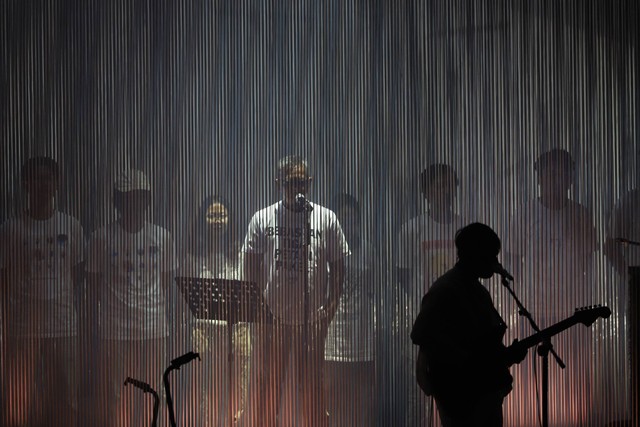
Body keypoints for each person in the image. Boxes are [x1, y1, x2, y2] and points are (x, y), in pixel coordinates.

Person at [242, 155, 349, 427]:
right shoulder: (263, 217)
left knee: (313, 387)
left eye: (303, 183)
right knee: (269, 385)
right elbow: (250, 267)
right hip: (273, 319)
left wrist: (330, 310)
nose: (299, 189)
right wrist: (260, 313)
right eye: (292, 183)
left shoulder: (325, 218)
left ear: (311, 182)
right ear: (279, 183)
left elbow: (338, 268)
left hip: (311, 319)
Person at [506, 148, 597, 426]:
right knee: (529, 374)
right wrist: (520, 297)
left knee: (573, 374)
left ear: (571, 177)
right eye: (550, 172)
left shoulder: (580, 214)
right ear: (540, 177)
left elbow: (588, 258)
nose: (556, 178)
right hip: (534, 309)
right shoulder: (525, 213)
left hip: (571, 311)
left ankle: (572, 419)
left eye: (562, 172)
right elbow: (511, 257)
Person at [411, 222, 527, 427]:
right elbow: (422, 336)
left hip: (478, 393)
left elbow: (483, 346)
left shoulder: (475, 290)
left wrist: (503, 357)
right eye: (491, 254)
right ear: (476, 254)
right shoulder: (446, 290)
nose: (495, 261)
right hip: (462, 399)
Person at [86, 170, 178, 427]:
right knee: (117, 393)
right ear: (118, 201)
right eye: (128, 198)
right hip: (115, 327)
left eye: (140, 197)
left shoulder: (162, 236)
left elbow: (167, 282)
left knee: (152, 391)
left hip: (153, 325)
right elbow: (92, 286)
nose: (134, 203)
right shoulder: (102, 237)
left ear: (147, 201)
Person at [0, 157, 85, 427]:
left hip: (63, 324)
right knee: (20, 401)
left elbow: (77, 274)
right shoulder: (10, 229)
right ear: (25, 185)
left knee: (67, 398)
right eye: (36, 179)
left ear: (57, 184)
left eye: (48, 179)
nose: (42, 184)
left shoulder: (71, 226)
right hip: (23, 326)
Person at [396, 163, 468, 425]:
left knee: (457, 398)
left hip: (459, 326)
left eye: (450, 184)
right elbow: (403, 275)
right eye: (439, 185)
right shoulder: (412, 229)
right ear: (426, 191)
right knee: (419, 397)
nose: (446, 190)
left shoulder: (464, 229)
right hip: (424, 322)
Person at [178, 195, 251, 425]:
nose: (218, 220)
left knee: (238, 383)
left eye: (222, 215)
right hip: (204, 330)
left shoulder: (240, 253)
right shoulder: (192, 256)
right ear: (203, 219)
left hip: (235, 329)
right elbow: (186, 297)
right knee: (204, 385)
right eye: (212, 215)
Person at [323, 194, 376, 426]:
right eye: (343, 220)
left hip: (361, 338)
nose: (348, 225)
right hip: (333, 338)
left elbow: (373, 290)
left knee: (361, 396)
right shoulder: (325, 251)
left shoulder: (368, 250)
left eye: (352, 219)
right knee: (332, 397)